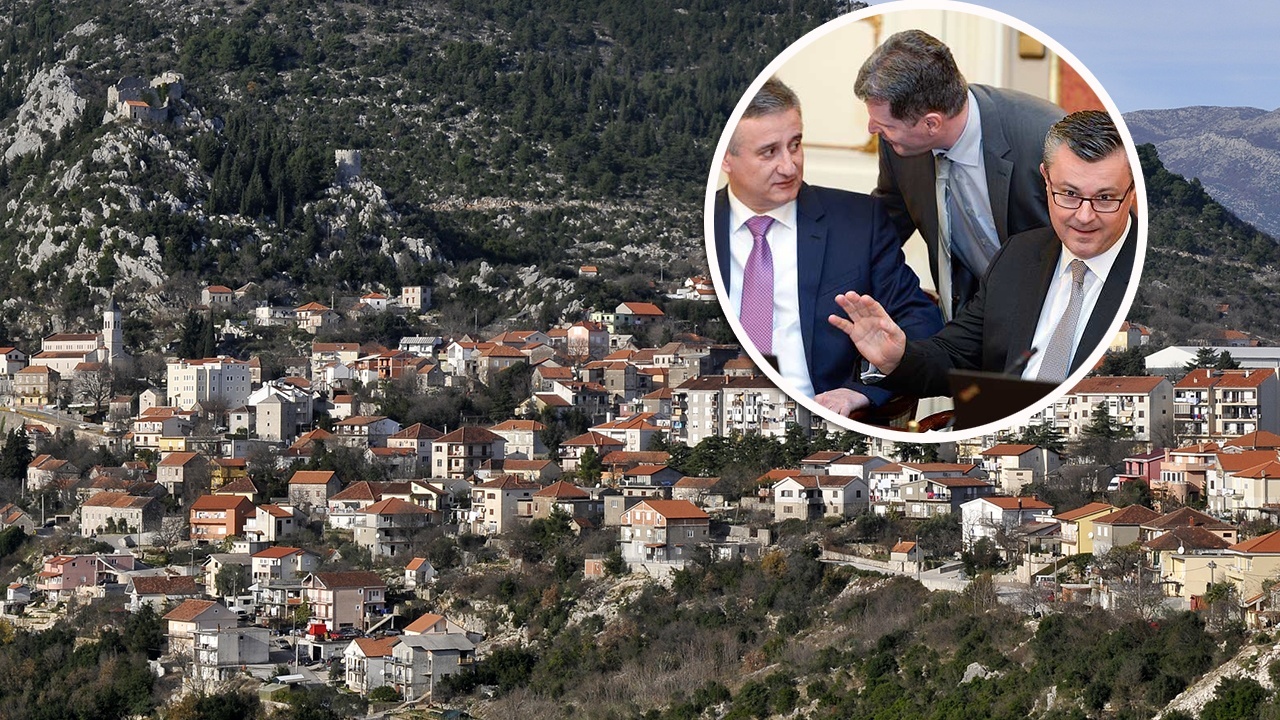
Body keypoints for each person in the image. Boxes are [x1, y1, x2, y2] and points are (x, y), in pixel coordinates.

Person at [827, 110, 1138, 400]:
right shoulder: (1018, 255)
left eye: (1105, 198)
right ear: (1045, 179)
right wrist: (898, 357)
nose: (1084, 216)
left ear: (1132, 190)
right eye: (1069, 194)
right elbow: (956, 356)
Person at [713, 78, 943, 416]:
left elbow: (920, 320)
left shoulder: (859, 224)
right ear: (725, 158)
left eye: (795, 144)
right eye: (769, 152)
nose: (789, 166)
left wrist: (860, 391)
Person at [855, 29, 1064, 319]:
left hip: (1050, 313)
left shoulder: (1046, 139)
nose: (872, 130)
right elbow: (887, 224)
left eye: (886, 125)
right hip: (967, 316)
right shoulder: (897, 144)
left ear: (931, 124)